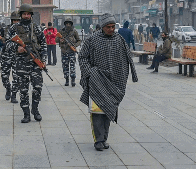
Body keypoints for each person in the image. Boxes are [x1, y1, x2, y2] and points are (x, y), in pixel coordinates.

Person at [78, 14, 138, 151]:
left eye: (113, 27)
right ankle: (98, 140)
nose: (111, 29)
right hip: (97, 81)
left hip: (114, 82)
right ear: (102, 27)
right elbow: (82, 57)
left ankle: (104, 138)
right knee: (97, 111)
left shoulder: (119, 40)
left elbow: (128, 59)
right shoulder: (92, 39)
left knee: (109, 109)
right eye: (108, 27)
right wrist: (90, 72)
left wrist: (127, 76)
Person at [6, 4, 45, 123]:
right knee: (23, 90)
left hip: (35, 63)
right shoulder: (14, 28)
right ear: (21, 15)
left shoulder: (36, 28)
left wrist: (43, 60)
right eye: (24, 14)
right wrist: (16, 48)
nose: (26, 16)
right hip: (21, 63)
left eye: (28, 14)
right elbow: (7, 43)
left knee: (37, 87)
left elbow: (43, 44)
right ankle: (26, 113)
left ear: (31, 15)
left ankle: (35, 110)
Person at [0, 12, 21, 101]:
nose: (16, 22)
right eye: (14, 20)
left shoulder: (22, 30)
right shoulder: (5, 29)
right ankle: (8, 88)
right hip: (6, 55)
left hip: (17, 56)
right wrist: (2, 42)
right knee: (4, 76)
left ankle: (14, 95)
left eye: (17, 20)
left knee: (17, 77)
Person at [57, 18, 81, 87]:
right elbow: (56, 39)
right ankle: (67, 79)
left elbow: (79, 40)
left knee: (72, 66)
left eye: (69, 24)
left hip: (71, 52)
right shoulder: (61, 31)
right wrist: (60, 40)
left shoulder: (74, 31)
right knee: (65, 67)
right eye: (67, 24)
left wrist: (74, 45)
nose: (68, 25)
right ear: (65, 24)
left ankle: (73, 80)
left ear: (71, 24)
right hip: (64, 52)